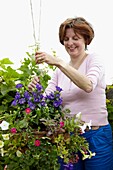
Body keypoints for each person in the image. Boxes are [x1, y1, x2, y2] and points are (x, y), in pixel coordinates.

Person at [28, 17, 113, 170]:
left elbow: (88, 85)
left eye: (75, 38)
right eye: (66, 39)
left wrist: (59, 62)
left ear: (86, 40)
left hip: (96, 136)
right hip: (68, 138)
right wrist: (34, 90)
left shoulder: (94, 60)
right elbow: (46, 101)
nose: (70, 43)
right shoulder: (58, 72)